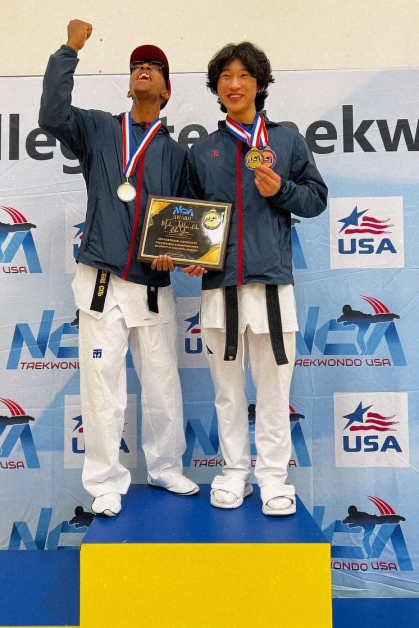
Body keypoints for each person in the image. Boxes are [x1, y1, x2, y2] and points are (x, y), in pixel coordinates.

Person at [39, 19, 199, 517]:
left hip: (152, 287)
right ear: (129, 84)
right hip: (103, 282)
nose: (144, 71)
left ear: (167, 88)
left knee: (162, 385)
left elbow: (188, 221)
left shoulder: (175, 154)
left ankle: (167, 467)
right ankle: (105, 482)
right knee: (102, 388)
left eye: (153, 67)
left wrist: (184, 253)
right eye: (137, 67)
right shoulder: (99, 129)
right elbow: (51, 114)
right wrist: (69, 50)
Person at [185, 42, 327, 516]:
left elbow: (315, 199)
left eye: (244, 75)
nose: (235, 83)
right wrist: (189, 255)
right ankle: (234, 472)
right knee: (227, 391)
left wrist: (281, 189)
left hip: (271, 286)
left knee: (273, 389)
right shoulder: (202, 149)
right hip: (220, 289)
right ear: (217, 87)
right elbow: (188, 220)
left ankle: (273, 477)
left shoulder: (285, 141)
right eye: (226, 75)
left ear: (260, 84)